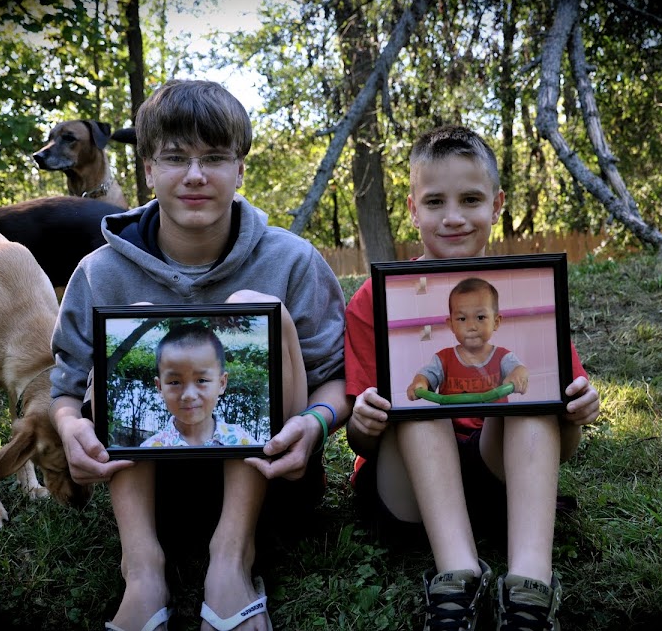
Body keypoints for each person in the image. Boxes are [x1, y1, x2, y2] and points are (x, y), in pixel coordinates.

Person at [49, 78, 349, 631]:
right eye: (174, 157)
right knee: (132, 318)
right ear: (147, 169)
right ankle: (142, 571)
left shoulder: (293, 260)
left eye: (214, 157)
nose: (194, 175)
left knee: (254, 308)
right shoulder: (100, 273)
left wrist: (314, 424)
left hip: (272, 483)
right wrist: (71, 430)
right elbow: (66, 389)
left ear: (240, 169)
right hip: (146, 487)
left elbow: (335, 380)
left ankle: (232, 563)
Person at [344, 125, 600, 631]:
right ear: (414, 209)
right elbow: (360, 439)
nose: (454, 217)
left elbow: (562, 439)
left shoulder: (527, 293)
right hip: (409, 488)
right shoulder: (375, 299)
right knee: (418, 398)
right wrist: (364, 420)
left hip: (500, 478)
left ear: (497, 203)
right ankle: (456, 577)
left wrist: (579, 409)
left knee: (531, 400)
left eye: (471, 199)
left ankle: (530, 586)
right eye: (435, 201)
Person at [406, 277, 529, 404]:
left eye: (480, 317)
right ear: (451, 324)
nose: (471, 327)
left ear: (496, 322)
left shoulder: (503, 357)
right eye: (462, 319)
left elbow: (520, 369)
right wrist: (420, 381)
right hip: (451, 423)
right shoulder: (443, 359)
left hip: (495, 422)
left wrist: (518, 375)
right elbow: (426, 375)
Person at [140, 324, 257, 448]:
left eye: (201, 380)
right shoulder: (151, 449)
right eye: (175, 382)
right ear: (160, 387)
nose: (189, 395)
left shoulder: (242, 443)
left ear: (222, 383)